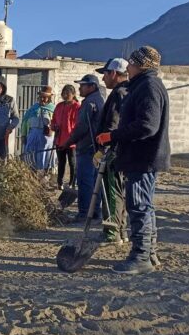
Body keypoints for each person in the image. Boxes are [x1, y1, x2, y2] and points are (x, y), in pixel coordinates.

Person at [97, 46, 170, 275]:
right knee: (144, 206)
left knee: (138, 206)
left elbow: (148, 125)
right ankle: (149, 253)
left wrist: (113, 136)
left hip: (143, 157)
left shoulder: (148, 87)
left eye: (131, 63)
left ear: (141, 65)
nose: (127, 67)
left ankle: (140, 257)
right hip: (140, 156)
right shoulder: (141, 86)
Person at [60, 74, 104, 221]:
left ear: (92, 86)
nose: (80, 88)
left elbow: (82, 127)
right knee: (94, 182)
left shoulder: (89, 103)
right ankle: (95, 212)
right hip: (96, 148)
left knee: (85, 182)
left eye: (83, 85)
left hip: (87, 148)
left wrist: (68, 142)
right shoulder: (99, 99)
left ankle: (84, 213)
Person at [95, 58, 130, 245]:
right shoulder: (127, 91)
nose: (103, 79)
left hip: (114, 150)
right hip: (121, 149)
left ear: (114, 73)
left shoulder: (119, 94)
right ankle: (121, 231)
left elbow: (113, 124)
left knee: (111, 192)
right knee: (119, 191)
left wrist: (104, 148)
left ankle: (111, 232)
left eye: (105, 74)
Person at [51, 84, 80, 189]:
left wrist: (74, 135)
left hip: (71, 141)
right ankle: (60, 182)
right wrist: (54, 126)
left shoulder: (77, 107)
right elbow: (53, 120)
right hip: (60, 139)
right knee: (61, 162)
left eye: (68, 93)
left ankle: (72, 183)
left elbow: (78, 123)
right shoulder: (59, 106)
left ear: (73, 94)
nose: (65, 95)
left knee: (72, 163)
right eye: (64, 93)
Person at [20, 85, 55, 171]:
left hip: (46, 137)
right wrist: (24, 135)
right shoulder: (33, 108)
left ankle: (45, 174)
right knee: (31, 155)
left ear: (49, 98)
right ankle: (31, 174)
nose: (42, 99)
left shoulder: (53, 109)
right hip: (32, 135)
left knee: (45, 155)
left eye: (45, 97)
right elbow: (24, 122)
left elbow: (58, 123)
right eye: (41, 97)